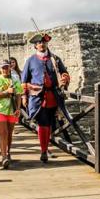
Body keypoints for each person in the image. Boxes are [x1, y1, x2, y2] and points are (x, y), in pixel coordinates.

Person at [21, 33, 70, 163]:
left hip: (53, 96)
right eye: (39, 43)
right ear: (35, 46)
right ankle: (44, 151)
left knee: (50, 124)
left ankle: (46, 147)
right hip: (38, 98)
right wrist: (23, 96)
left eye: (43, 42)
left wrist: (64, 79)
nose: (41, 44)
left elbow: (64, 73)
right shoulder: (30, 61)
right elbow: (24, 81)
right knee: (43, 123)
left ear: (46, 43)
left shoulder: (55, 59)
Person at [0, 59, 23, 169]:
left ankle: (8, 152)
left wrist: (18, 108)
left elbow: (18, 95)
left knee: (9, 133)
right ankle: (4, 157)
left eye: (7, 67)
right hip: (0, 109)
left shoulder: (15, 80)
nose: (5, 69)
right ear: (0, 69)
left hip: (12, 110)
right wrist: (6, 92)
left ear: (10, 68)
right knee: (3, 133)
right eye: (3, 67)